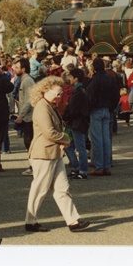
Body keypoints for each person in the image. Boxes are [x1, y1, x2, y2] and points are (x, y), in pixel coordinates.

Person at [24, 76, 90, 233]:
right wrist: (66, 139)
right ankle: (30, 221)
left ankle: (73, 221)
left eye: (61, 93)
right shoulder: (42, 107)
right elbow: (49, 132)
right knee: (40, 189)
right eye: (57, 93)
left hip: (54, 153)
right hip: (43, 154)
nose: (59, 97)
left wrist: (63, 140)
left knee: (62, 188)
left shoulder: (49, 105)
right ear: (46, 90)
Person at [86, 58, 120, 176]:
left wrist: (89, 108)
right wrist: (112, 108)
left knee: (97, 139)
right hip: (107, 109)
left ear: (94, 67)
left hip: (96, 109)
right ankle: (106, 165)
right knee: (106, 139)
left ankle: (99, 166)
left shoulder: (95, 80)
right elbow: (116, 95)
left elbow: (90, 96)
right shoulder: (110, 78)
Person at [62, 68, 90, 179]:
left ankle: (82, 170)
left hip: (77, 122)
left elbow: (73, 109)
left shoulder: (78, 92)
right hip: (78, 121)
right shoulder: (81, 90)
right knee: (70, 146)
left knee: (79, 147)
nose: (69, 79)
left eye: (71, 77)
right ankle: (77, 168)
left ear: (76, 78)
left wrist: (66, 117)